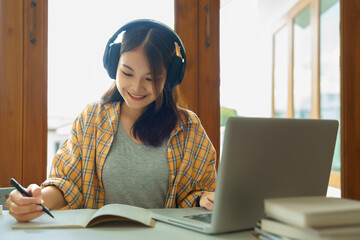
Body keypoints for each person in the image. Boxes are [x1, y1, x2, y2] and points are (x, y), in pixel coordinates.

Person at [5, 19, 216, 222]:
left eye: (150, 78)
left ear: (169, 78)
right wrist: (37, 199)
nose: (136, 87)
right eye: (127, 73)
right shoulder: (92, 119)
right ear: (114, 64)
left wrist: (203, 198)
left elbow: (195, 193)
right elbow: (67, 183)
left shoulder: (188, 128)